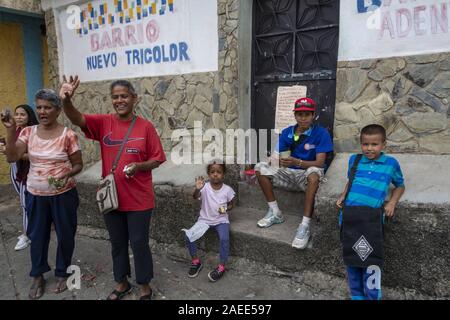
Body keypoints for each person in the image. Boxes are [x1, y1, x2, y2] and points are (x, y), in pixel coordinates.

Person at [59, 75, 166, 300]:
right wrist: (67, 100)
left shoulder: (146, 127)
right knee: (117, 243)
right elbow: (77, 118)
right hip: (111, 197)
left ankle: (144, 285)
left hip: (139, 198)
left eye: (124, 96)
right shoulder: (104, 123)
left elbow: (157, 159)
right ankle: (121, 282)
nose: (120, 100)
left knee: (139, 243)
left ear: (134, 99)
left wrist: (139, 166)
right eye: (115, 97)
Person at [1, 89, 83, 299]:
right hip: (35, 194)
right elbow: (11, 157)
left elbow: (78, 165)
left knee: (65, 234)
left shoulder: (68, 135)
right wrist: (11, 131)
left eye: (47, 107)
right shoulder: (28, 133)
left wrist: (68, 173)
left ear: (57, 110)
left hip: (64, 194)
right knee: (37, 236)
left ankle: (63, 271)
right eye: (39, 107)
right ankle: (38, 274)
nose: (42, 111)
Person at [336, 124, 405, 300]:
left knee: (371, 262)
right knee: (352, 260)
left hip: (372, 220)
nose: (369, 148)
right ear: (361, 143)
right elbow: (350, 181)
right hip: (350, 218)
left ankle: (373, 296)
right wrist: (343, 195)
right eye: (365, 144)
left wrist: (392, 203)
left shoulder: (390, 164)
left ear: (384, 144)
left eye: (374, 144)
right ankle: (357, 296)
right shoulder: (355, 160)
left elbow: (400, 185)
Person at [254, 97, 333, 249]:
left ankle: (305, 225)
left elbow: (320, 163)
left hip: (306, 176)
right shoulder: (287, 132)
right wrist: (274, 160)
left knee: (314, 173)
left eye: (307, 114)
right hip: (288, 173)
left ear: (313, 115)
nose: (303, 118)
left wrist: (297, 162)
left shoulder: (321, 133)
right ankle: (275, 212)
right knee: (260, 167)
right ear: (295, 115)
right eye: (300, 114)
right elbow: (277, 155)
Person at [183, 162, 236, 282]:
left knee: (224, 239)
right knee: (189, 236)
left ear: (223, 174)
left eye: (219, 172)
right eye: (212, 172)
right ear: (208, 174)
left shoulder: (227, 190)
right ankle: (196, 262)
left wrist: (226, 209)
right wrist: (197, 189)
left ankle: (222, 266)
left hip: (221, 220)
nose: (215, 175)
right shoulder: (204, 187)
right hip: (205, 220)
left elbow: (232, 204)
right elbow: (195, 197)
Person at [0, 105, 39, 250]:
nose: (18, 117)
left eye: (23, 114)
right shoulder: (16, 130)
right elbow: (12, 148)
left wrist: (14, 153)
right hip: (17, 170)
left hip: (28, 173)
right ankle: (34, 228)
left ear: (29, 116)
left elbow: (34, 155)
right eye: (17, 114)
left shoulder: (33, 132)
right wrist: (6, 146)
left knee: (25, 204)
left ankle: (27, 235)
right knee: (27, 202)